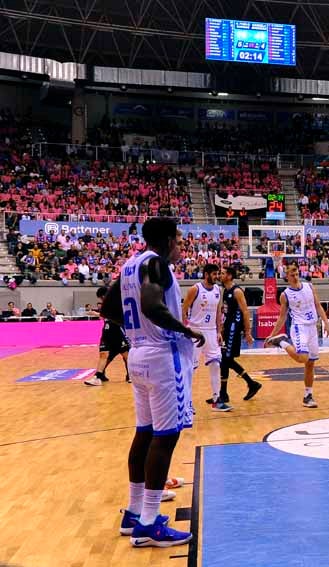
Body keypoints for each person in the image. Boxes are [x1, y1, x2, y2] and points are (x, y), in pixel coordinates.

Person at [101, 217, 205, 547]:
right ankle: (149, 523)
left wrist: (138, 332)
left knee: (144, 434)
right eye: (178, 237)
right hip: (162, 356)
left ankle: (133, 514)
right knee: (165, 438)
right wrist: (185, 329)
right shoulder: (157, 263)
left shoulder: (131, 264)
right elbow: (151, 304)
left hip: (139, 354)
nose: (180, 243)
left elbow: (108, 308)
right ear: (166, 240)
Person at [265, 264, 329, 408]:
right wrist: (272, 334)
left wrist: (326, 323)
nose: (295, 277)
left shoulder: (309, 286)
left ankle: (308, 395)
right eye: (292, 275)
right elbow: (282, 317)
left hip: (313, 327)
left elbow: (318, 305)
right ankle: (281, 341)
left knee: (310, 363)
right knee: (303, 358)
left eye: (296, 274)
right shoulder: (285, 295)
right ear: (287, 277)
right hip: (299, 327)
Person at [183, 265, 228, 411]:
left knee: (215, 364)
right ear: (206, 274)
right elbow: (184, 309)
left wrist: (219, 332)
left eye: (218, 274)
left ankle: (217, 400)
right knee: (191, 368)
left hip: (211, 331)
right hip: (195, 330)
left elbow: (218, 312)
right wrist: (186, 329)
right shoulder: (195, 289)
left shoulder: (218, 290)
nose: (217, 276)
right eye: (215, 274)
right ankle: (187, 403)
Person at [219, 266, 261, 403]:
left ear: (230, 276)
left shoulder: (237, 291)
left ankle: (248, 384)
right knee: (225, 360)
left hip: (234, 329)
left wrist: (247, 331)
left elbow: (245, 311)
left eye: (223, 273)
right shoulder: (225, 291)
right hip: (227, 328)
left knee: (226, 359)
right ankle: (225, 392)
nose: (220, 275)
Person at [84, 286, 131, 386]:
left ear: (104, 295)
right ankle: (98, 377)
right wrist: (95, 313)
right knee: (103, 355)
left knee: (127, 356)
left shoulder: (117, 302)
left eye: (101, 297)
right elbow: (104, 316)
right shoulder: (106, 304)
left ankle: (131, 375)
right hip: (106, 333)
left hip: (117, 333)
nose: (101, 300)